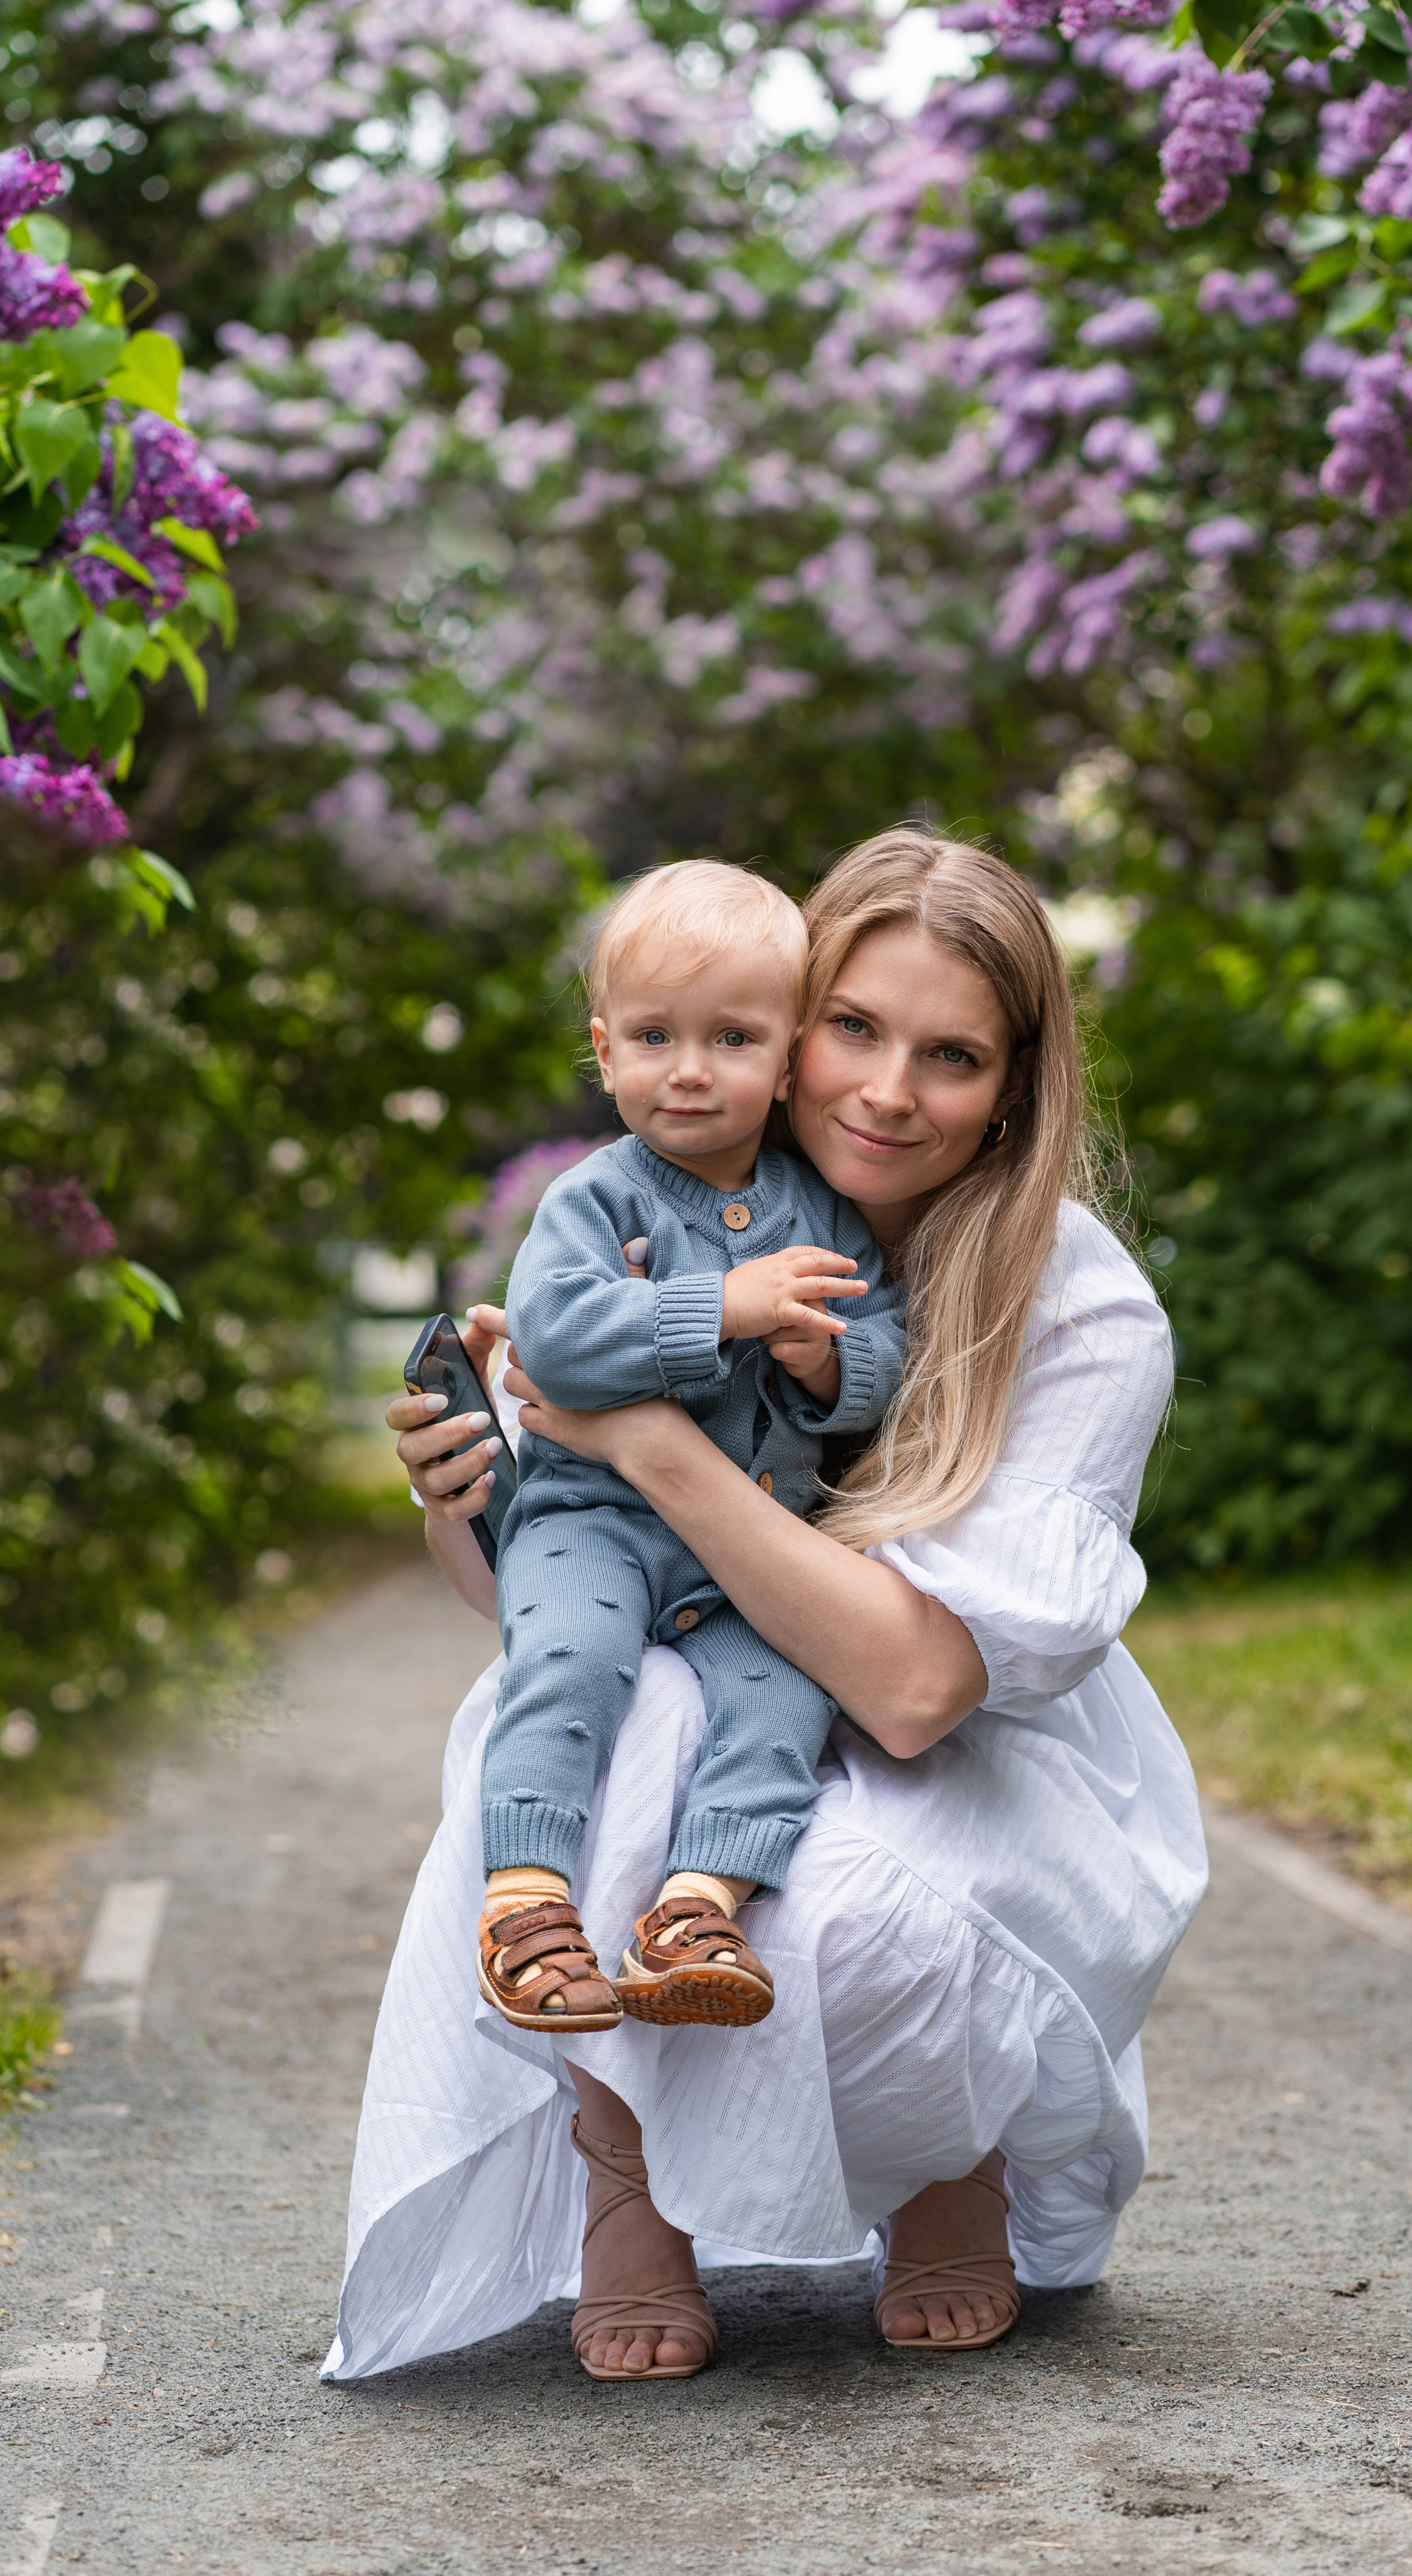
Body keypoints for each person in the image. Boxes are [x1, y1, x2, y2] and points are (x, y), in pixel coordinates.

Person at [324, 827, 1205, 2389]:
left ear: (1011, 1085)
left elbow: (921, 1689)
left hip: (966, 1728)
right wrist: (470, 1484)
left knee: (855, 1907)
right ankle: (625, 2185)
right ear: (790, 1022)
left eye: (949, 1056)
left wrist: (642, 1437)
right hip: (714, 1651)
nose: (883, 1089)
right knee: (602, 1724)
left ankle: (949, 2163)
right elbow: (531, 1601)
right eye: (851, 1030)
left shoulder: (1075, 1306)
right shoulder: (676, 1204)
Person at [475, 860, 906, 2055]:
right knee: (570, 1657)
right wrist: (724, 1304)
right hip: (593, 1521)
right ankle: (525, 1900)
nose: (690, 1069)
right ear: (605, 1053)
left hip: (748, 1549)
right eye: (655, 1037)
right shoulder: (592, 1198)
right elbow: (555, 1340)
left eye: (732, 1038)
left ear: (787, 1061)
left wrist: (829, 1369)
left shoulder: (821, 1212)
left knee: (788, 1694)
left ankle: (698, 1911)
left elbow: (885, 1353)